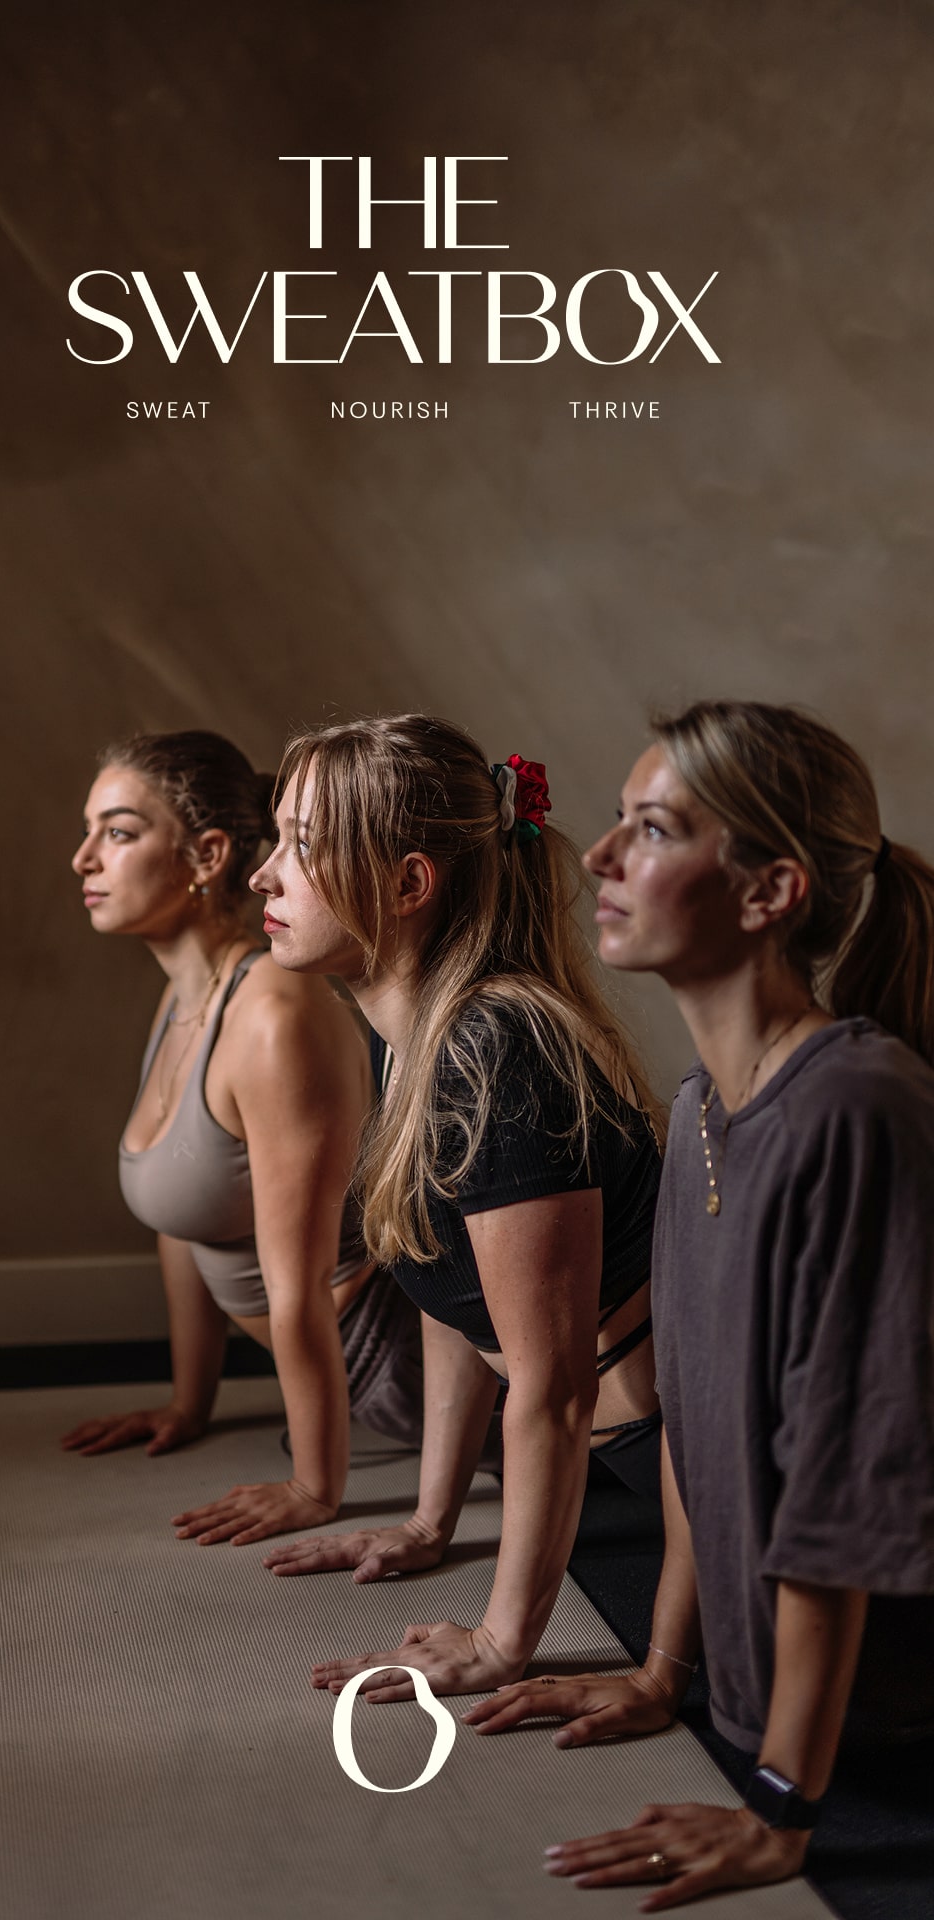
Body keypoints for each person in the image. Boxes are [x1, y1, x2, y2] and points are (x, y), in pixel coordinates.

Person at [466, 700, 934, 1907]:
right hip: (760, 1691)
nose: (603, 858)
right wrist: (663, 1674)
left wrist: (780, 1804)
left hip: (882, 1712)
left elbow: (846, 1483)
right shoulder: (703, 1110)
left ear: (772, 891)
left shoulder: (857, 1107)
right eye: (618, 823)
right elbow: (697, 1429)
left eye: (655, 829)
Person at [252, 714, 665, 1700]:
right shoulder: (415, 1031)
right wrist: (429, 1522)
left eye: (301, 846)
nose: (265, 875)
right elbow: (453, 1294)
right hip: (613, 1463)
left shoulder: (498, 1050)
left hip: (681, 1468)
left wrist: (501, 1640)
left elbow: (554, 1387)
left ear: (406, 885)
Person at [62, 729, 422, 1547]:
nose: (83, 858)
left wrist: (315, 1487)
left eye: (117, 832)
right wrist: (190, 1405)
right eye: (89, 832)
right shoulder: (189, 997)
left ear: (208, 853)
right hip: (343, 1374)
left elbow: (296, 1282)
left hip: (396, 1369)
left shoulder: (273, 1015)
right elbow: (180, 1220)